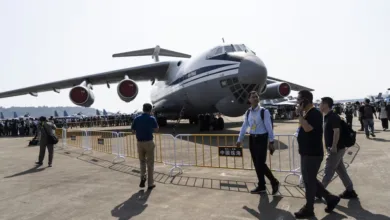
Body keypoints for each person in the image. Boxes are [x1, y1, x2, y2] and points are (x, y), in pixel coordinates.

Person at [294, 90, 340, 219]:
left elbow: (308, 128)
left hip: (312, 153)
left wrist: (299, 115)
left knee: (309, 182)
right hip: (306, 152)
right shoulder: (308, 113)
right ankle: (330, 198)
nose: (297, 102)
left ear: (305, 100)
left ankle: (309, 208)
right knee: (310, 179)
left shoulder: (315, 113)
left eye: (299, 99)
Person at [236, 91, 280, 195]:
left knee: (260, 163)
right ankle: (261, 186)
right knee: (256, 164)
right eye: (253, 97)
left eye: (256, 96)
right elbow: (244, 126)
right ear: (249, 100)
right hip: (252, 139)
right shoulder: (248, 112)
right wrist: (239, 139)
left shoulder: (263, 111)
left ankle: (274, 182)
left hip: (261, 139)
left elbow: (269, 127)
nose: (255, 98)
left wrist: (271, 141)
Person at [319, 97, 358, 199]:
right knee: (341, 171)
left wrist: (334, 146)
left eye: (321, 103)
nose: (319, 105)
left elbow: (337, 131)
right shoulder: (327, 116)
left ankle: (319, 193)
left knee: (328, 172)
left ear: (326, 105)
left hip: (335, 149)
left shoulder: (333, 117)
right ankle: (350, 190)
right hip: (336, 149)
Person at [131, 103, 159, 190]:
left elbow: (132, 131)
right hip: (149, 142)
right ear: (150, 110)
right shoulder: (151, 118)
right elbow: (156, 129)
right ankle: (150, 184)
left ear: (143, 109)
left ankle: (143, 177)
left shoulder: (137, 118)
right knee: (150, 163)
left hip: (140, 142)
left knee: (142, 162)